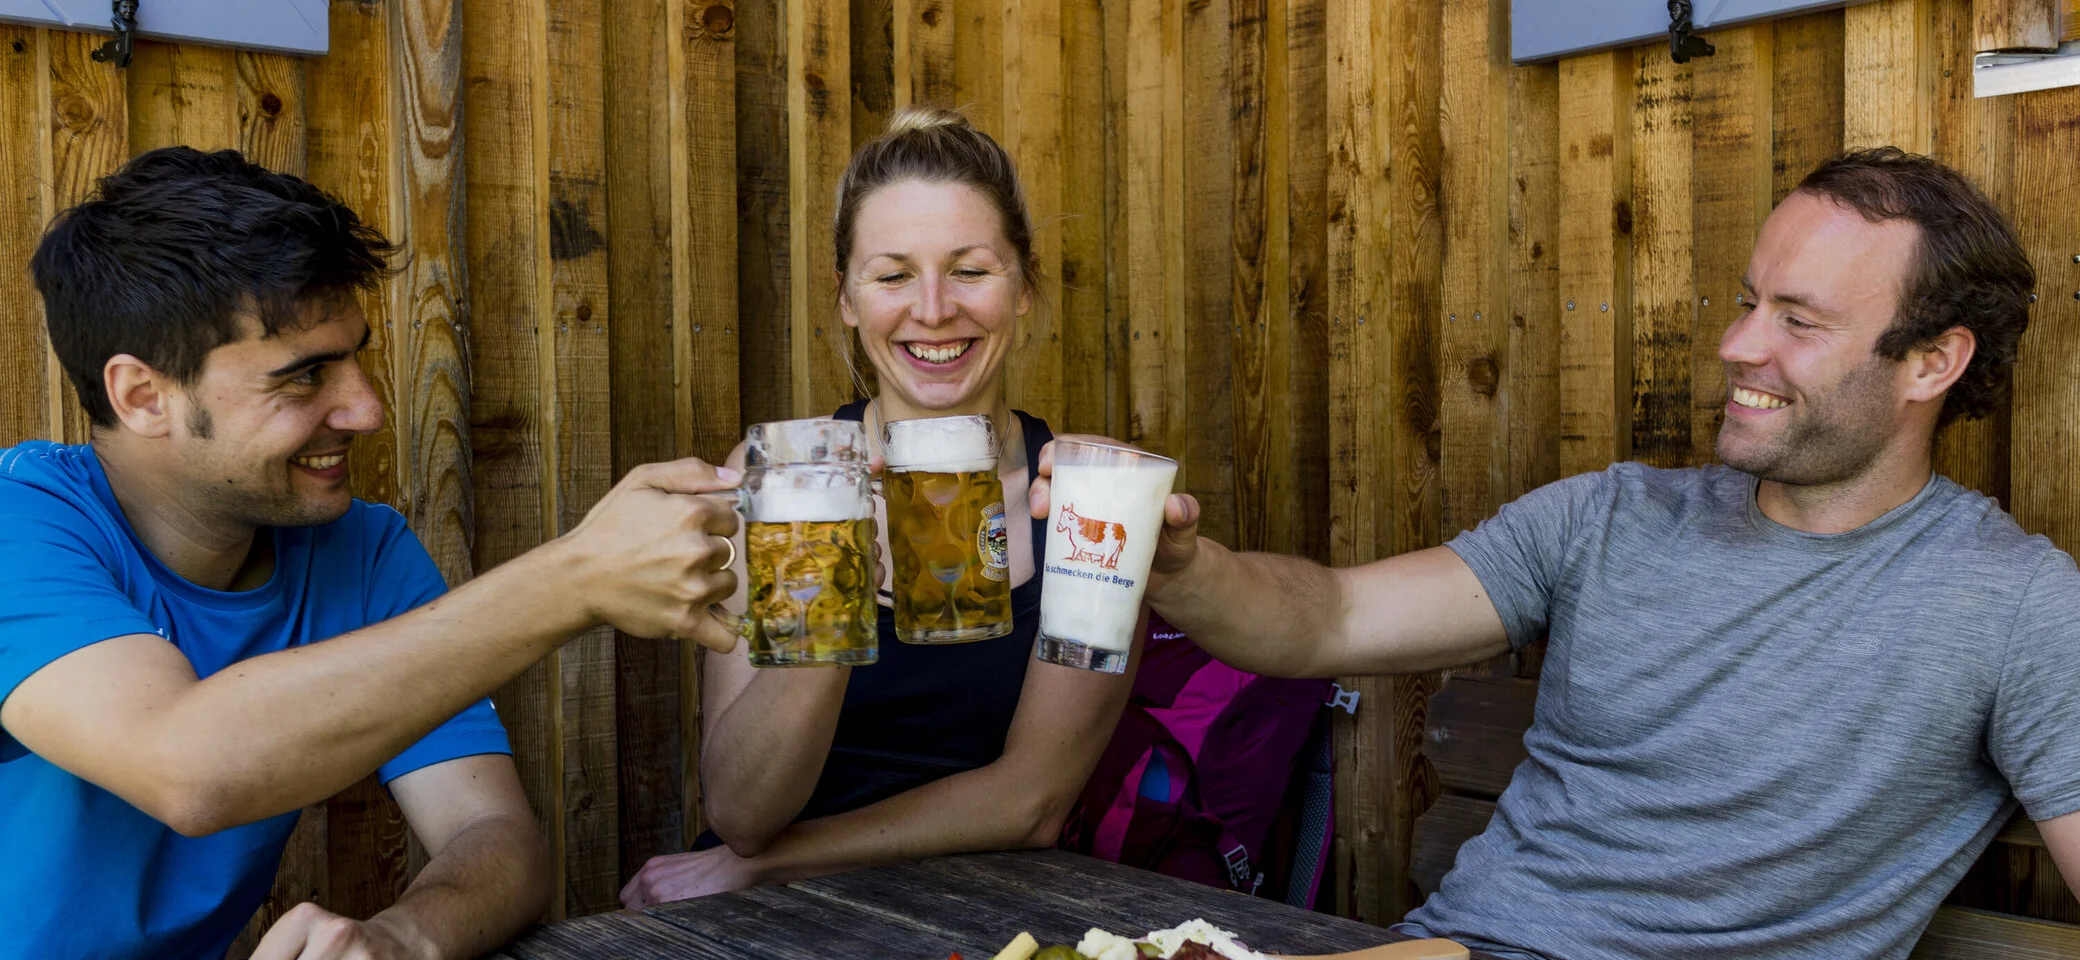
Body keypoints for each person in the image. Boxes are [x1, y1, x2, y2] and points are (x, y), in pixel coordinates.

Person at [1033, 148, 2080, 959]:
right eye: (1745, 301)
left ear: (1933, 362)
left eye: (1797, 322)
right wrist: (1180, 566)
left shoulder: (2012, 604)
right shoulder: (1610, 517)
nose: (1737, 347)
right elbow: (1332, 620)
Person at [0, 147, 744, 960]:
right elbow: (189, 766)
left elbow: (495, 836)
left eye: (357, 356)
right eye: (305, 376)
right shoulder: (18, 521)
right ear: (144, 396)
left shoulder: (362, 544)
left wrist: (401, 939)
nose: (366, 409)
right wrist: (573, 580)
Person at [621, 108, 1137, 906]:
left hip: (990, 907)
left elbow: (1032, 803)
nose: (932, 310)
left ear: (1025, 289)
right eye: (893, 275)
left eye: (970, 270)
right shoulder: (779, 482)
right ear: (849, 301)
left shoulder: (1084, 496)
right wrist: (836, 578)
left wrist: (768, 863)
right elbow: (742, 810)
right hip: (763, 911)